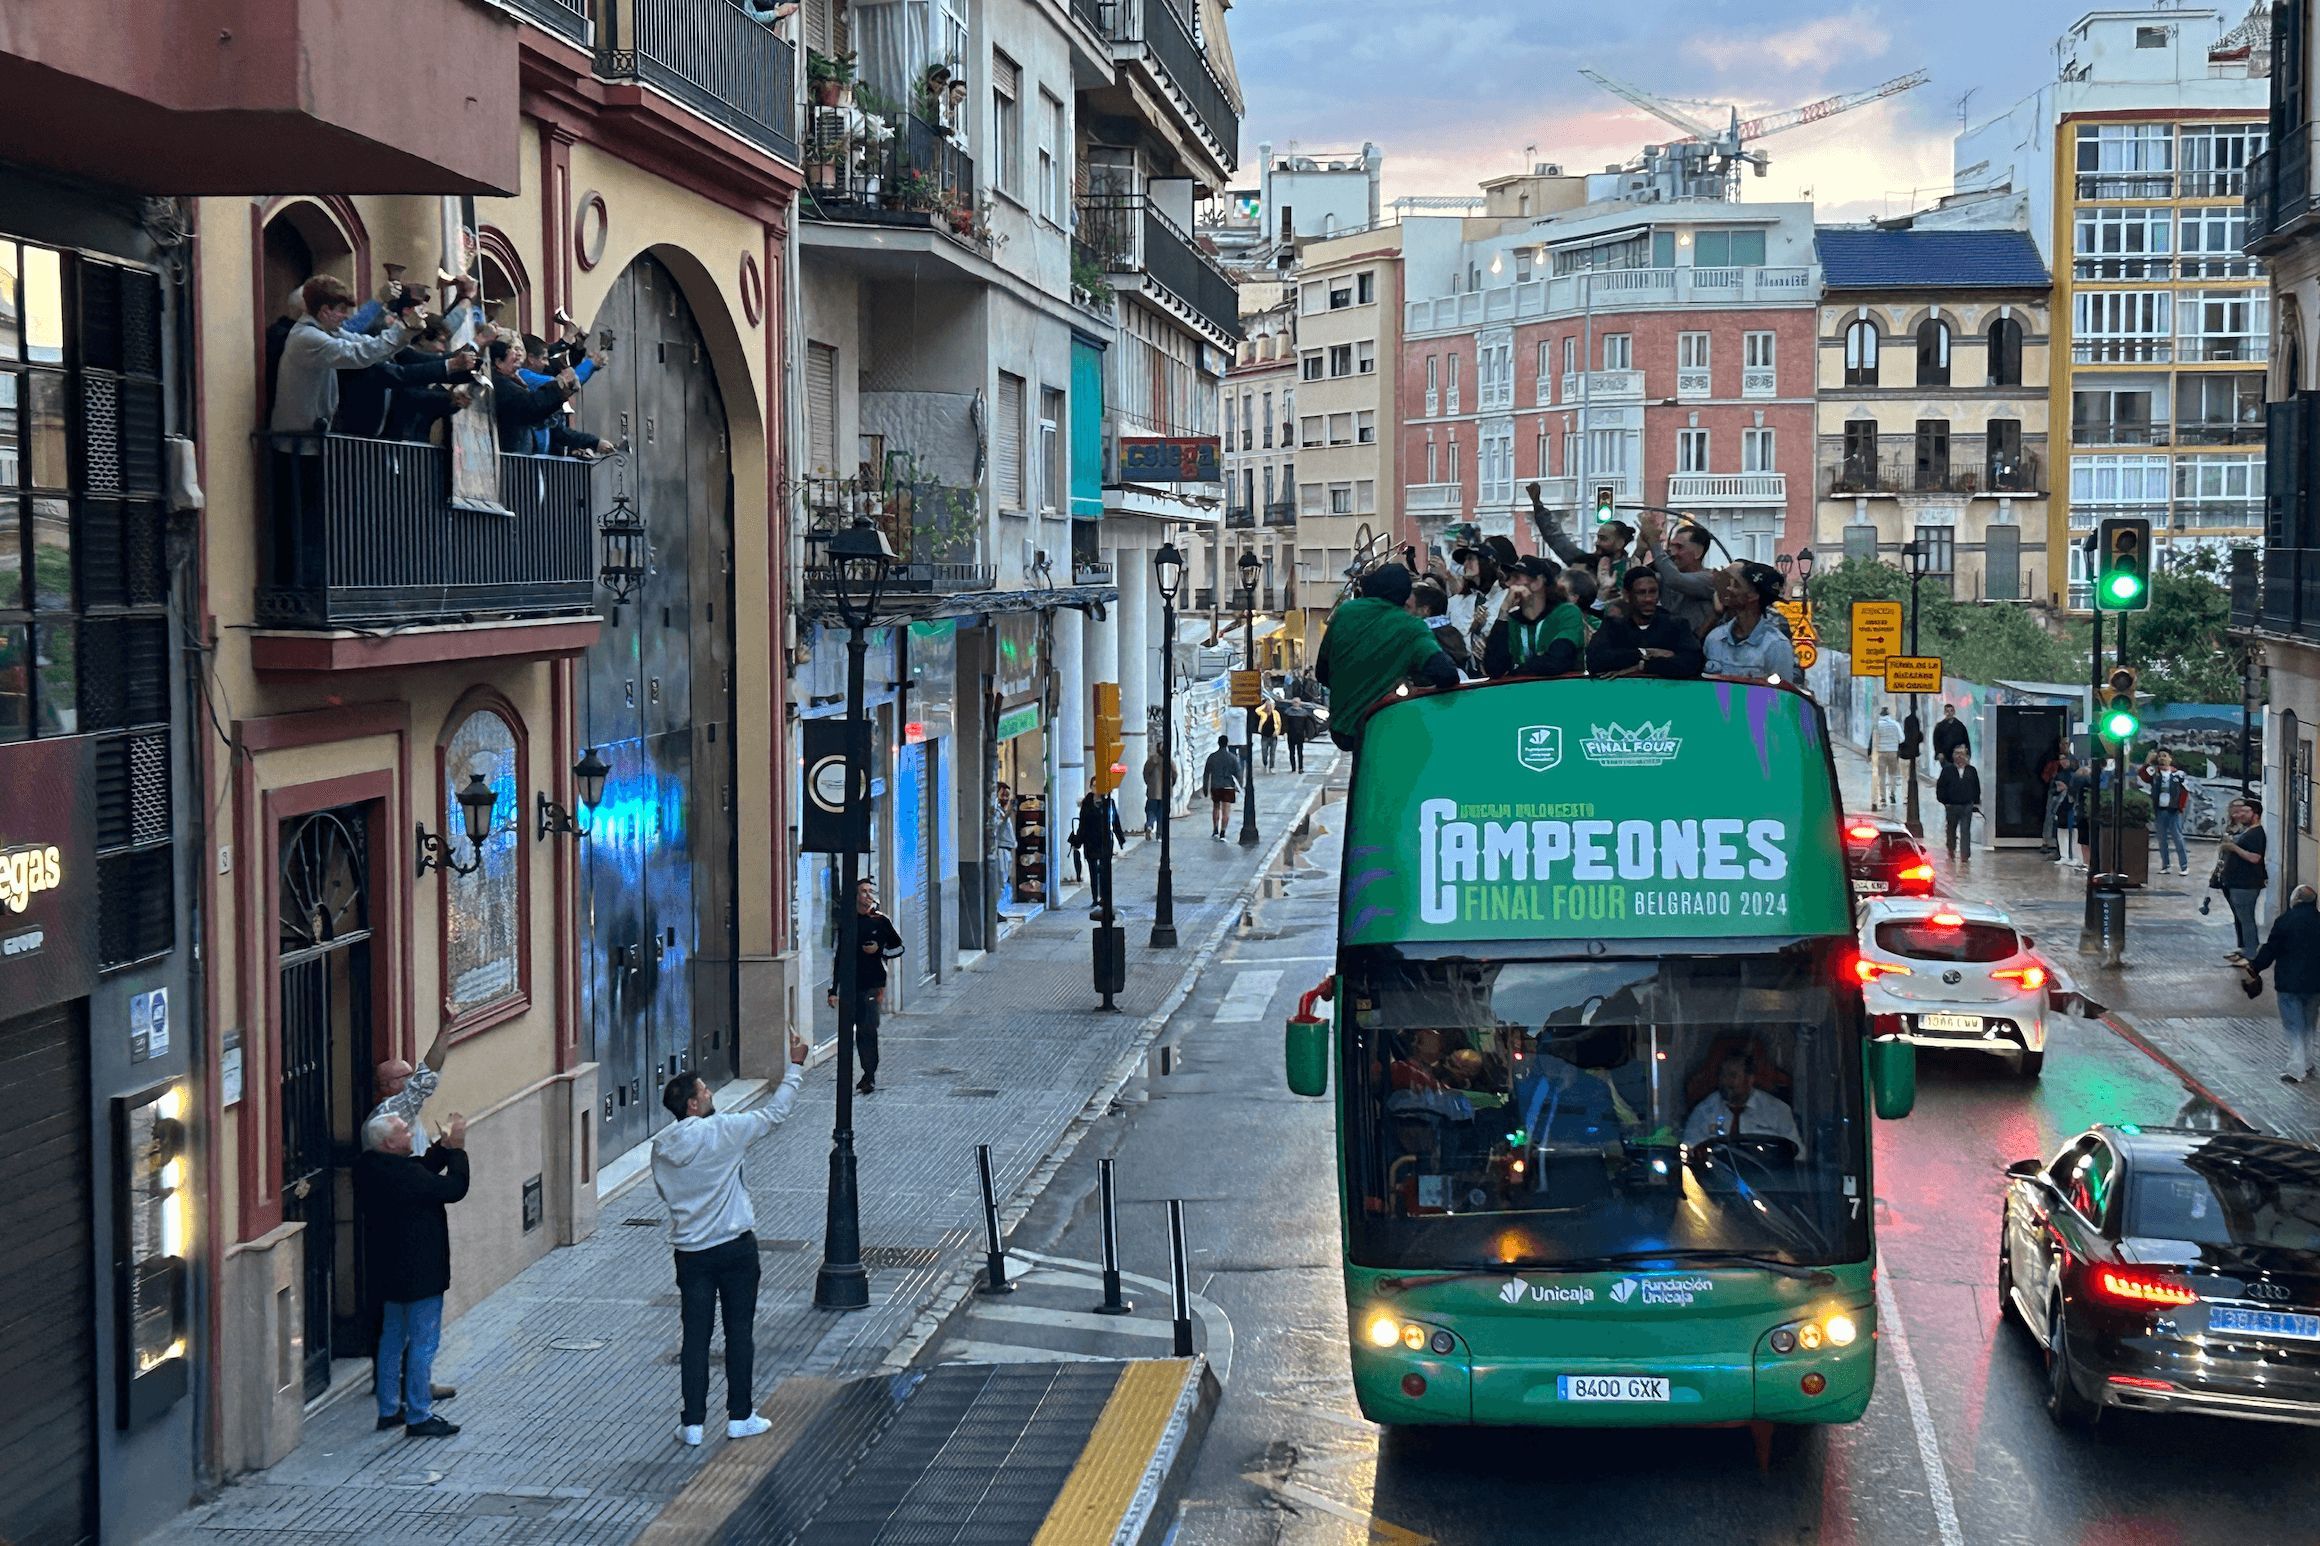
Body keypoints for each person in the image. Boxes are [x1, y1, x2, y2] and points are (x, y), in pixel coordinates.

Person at [652, 1031, 809, 1447]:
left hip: (691, 1252)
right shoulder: (724, 1131)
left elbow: (667, 1194)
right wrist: (795, 1065)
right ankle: (740, 1415)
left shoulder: (661, 1148)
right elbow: (776, 1113)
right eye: (705, 1090)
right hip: (736, 1248)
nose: (710, 1093)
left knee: (695, 1338)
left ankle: (693, 1424)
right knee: (739, 1332)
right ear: (693, 1104)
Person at [355, 1109, 470, 1438]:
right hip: (421, 1275)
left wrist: (442, 1148)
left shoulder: (368, 1167)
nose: (410, 1135)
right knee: (422, 1343)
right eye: (405, 1132)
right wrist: (458, 1151)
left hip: (387, 1273)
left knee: (391, 1339)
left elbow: (420, 1169)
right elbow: (453, 1188)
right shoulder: (407, 1178)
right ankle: (420, 1414)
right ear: (390, 1143)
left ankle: (389, 1409)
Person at [1312, 563, 1459, 747]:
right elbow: (1446, 674)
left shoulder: (1345, 612)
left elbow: (1321, 673)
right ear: (1405, 597)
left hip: (1341, 727)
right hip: (1382, 725)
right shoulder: (1411, 627)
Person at [825, 878, 904, 1093]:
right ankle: (861, 1073)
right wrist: (834, 990)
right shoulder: (848, 923)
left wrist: (878, 950)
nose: (868, 895)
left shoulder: (881, 921)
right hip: (851, 985)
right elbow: (839, 956)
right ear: (856, 896)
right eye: (863, 892)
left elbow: (898, 948)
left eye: (870, 891)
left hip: (873, 985)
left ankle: (869, 1075)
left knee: (868, 1029)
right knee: (856, 1031)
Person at [2243, 885, 2320, 1083]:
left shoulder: (2285, 921)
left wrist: (2255, 967)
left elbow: (2271, 949)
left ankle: (2296, 1068)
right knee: (2309, 1024)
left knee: (2294, 1025)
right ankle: (2309, 1063)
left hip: (2289, 983)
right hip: (2315, 984)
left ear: (2296, 900)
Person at [1585, 568, 1704, 679]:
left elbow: (1692, 663)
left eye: (1653, 592)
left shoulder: (1676, 625)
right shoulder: (1613, 626)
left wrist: (1642, 666)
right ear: (1627, 595)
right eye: (1641, 593)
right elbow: (1595, 661)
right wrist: (1645, 653)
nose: (1649, 599)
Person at [1529, 481, 1631, 611]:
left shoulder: (1630, 569)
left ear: (1620, 543)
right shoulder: (1584, 561)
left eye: (1603, 539)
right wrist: (1538, 506)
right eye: (1598, 538)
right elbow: (1556, 539)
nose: (1597, 543)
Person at [1480, 556, 1586, 679]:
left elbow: (1557, 661)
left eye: (1517, 577)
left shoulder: (1567, 613)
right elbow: (1493, 669)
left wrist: (1515, 673)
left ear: (1538, 582)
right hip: (1524, 695)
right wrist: (1503, 613)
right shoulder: (1512, 621)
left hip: (1566, 691)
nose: (1509, 584)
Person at [1702, 563, 1799, 684]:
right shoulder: (1715, 638)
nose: (1729, 589)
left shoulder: (1776, 646)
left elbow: (1782, 696)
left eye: (1736, 585)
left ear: (1753, 596)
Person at [1680, 1052, 1801, 1147]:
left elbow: (1797, 1153)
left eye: (1732, 1076)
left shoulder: (1777, 1110)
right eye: (1722, 1075)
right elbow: (1689, 1147)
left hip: (1764, 1174)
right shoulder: (1705, 1111)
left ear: (1750, 1079)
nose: (1725, 1081)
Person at [1635, 511, 1718, 639]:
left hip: (1696, 651)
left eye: (1679, 547)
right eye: (1671, 546)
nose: (1672, 553)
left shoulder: (1708, 579)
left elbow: (1675, 580)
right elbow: (1635, 581)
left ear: (1698, 552)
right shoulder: (1665, 578)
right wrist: (1640, 550)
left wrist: (1653, 542)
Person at [2219, 796, 2269, 958]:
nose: (2242, 814)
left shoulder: (2256, 833)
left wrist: (2233, 848)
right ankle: (2246, 948)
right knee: (2242, 918)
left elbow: (2255, 857)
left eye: (2246, 812)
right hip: (2237, 882)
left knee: (2246, 919)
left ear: (2255, 814)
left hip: (2246, 883)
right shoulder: (2246, 831)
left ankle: (2251, 952)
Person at [1071, 786, 1126, 918]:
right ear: (1091, 787)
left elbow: (1115, 820)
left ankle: (1104, 897)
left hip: (1105, 841)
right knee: (1093, 870)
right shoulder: (1087, 803)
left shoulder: (1109, 802)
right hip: (1090, 841)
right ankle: (1095, 897)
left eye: (1098, 785)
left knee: (1104, 870)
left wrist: (1120, 838)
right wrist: (1078, 841)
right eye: (1094, 785)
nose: (1097, 788)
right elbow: (1082, 823)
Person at [2140, 749, 2194, 876]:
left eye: (2164, 756)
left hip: (2174, 810)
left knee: (2178, 838)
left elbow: (2185, 790)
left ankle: (2184, 865)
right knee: (2162, 839)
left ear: (2170, 758)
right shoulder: (2155, 773)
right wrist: (2148, 762)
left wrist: (2180, 807)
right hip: (2160, 810)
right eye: (2159, 756)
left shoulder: (2178, 774)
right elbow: (2143, 775)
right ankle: (2166, 865)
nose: (2162, 759)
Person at [1407, 581, 1473, 676]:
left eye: (1408, 607)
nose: (1403, 612)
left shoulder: (1423, 637)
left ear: (1425, 610)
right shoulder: (1453, 632)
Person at [1935, 743, 1982, 863]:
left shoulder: (1971, 771)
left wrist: (1975, 802)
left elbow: (1976, 787)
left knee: (1965, 830)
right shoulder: (1947, 770)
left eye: (1962, 754)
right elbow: (1941, 787)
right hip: (1952, 805)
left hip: (1967, 805)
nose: (1959, 756)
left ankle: (1965, 855)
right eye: (1957, 754)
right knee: (1951, 829)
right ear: (1953, 756)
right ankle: (1951, 849)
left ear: (1967, 756)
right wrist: (1945, 802)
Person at [1202, 734, 1243, 839]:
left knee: (1216, 807)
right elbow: (1239, 773)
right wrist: (1240, 786)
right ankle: (1223, 832)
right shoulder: (1233, 758)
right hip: (1228, 786)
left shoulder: (1212, 757)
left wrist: (1205, 788)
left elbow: (1206, 773)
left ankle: (1215, 829)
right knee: (1226, 810)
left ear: (1218, 743)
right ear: (1227, 744)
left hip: (1215, 786)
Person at [2049, 752, 2082, 867]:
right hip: (2061, 806)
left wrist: (2067, 788)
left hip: (2071, 806)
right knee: (2061, 830)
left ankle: (2076, 857)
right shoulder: (2059, 774)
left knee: (2074, 831)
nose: (2063, 762)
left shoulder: (2075, 774)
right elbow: (2053, 789)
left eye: (2065, 759)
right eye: (2061, 759)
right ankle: (2065, 856)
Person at [1870, 707, 1904, 810]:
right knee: (1892, 775)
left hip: (1881, 752)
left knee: (1882, 776)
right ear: (1889, 714)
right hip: (1893, 752)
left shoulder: (1878, 725)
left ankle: (1883, 798)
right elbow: (1902, 739)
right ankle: (1892, 794)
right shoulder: (1895, 724)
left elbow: (1874, 740)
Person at [1140, 747, 1169, 838]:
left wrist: (1149, 783)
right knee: (1161, 814)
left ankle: (1149, 825)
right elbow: (1174, 773)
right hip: (1164, 793)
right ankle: (1159, 834)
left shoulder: (1151, 760)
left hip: (1152, 792)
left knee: (1151, 811)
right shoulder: (1168, 760)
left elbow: (1145, 773)